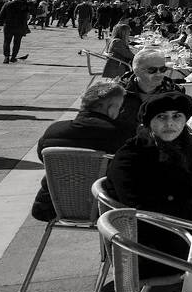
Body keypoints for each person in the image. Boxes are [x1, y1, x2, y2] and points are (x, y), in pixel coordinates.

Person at [106, 91, 192, 275]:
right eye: (161, 117)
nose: (170, 123)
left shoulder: (183, 148)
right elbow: (140, 210)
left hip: (185, 228)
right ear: (149, 122)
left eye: (176, 116)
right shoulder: (132, 156)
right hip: (151, 247)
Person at [31, 81, 130, 220]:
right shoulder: (122, 134)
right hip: (104, 205)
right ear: (111, 108)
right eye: (119, 107)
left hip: (51, 206)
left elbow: (43, 158)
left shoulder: (54, 130)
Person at [115, 48, 185, 131]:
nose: (159, 74)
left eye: (162, 69)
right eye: (152, 70)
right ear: (137, 71)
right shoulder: (118, 93)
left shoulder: (174, 91)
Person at [0, 0, 33, 64]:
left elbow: (0, 17)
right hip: (20, 26)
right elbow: (28, 17)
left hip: (8, 26)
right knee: (17, 42)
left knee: (7, 41)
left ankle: (6, 57)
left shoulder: (8, 4)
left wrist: (5, 21)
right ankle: (13, 57)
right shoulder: (25, 5)